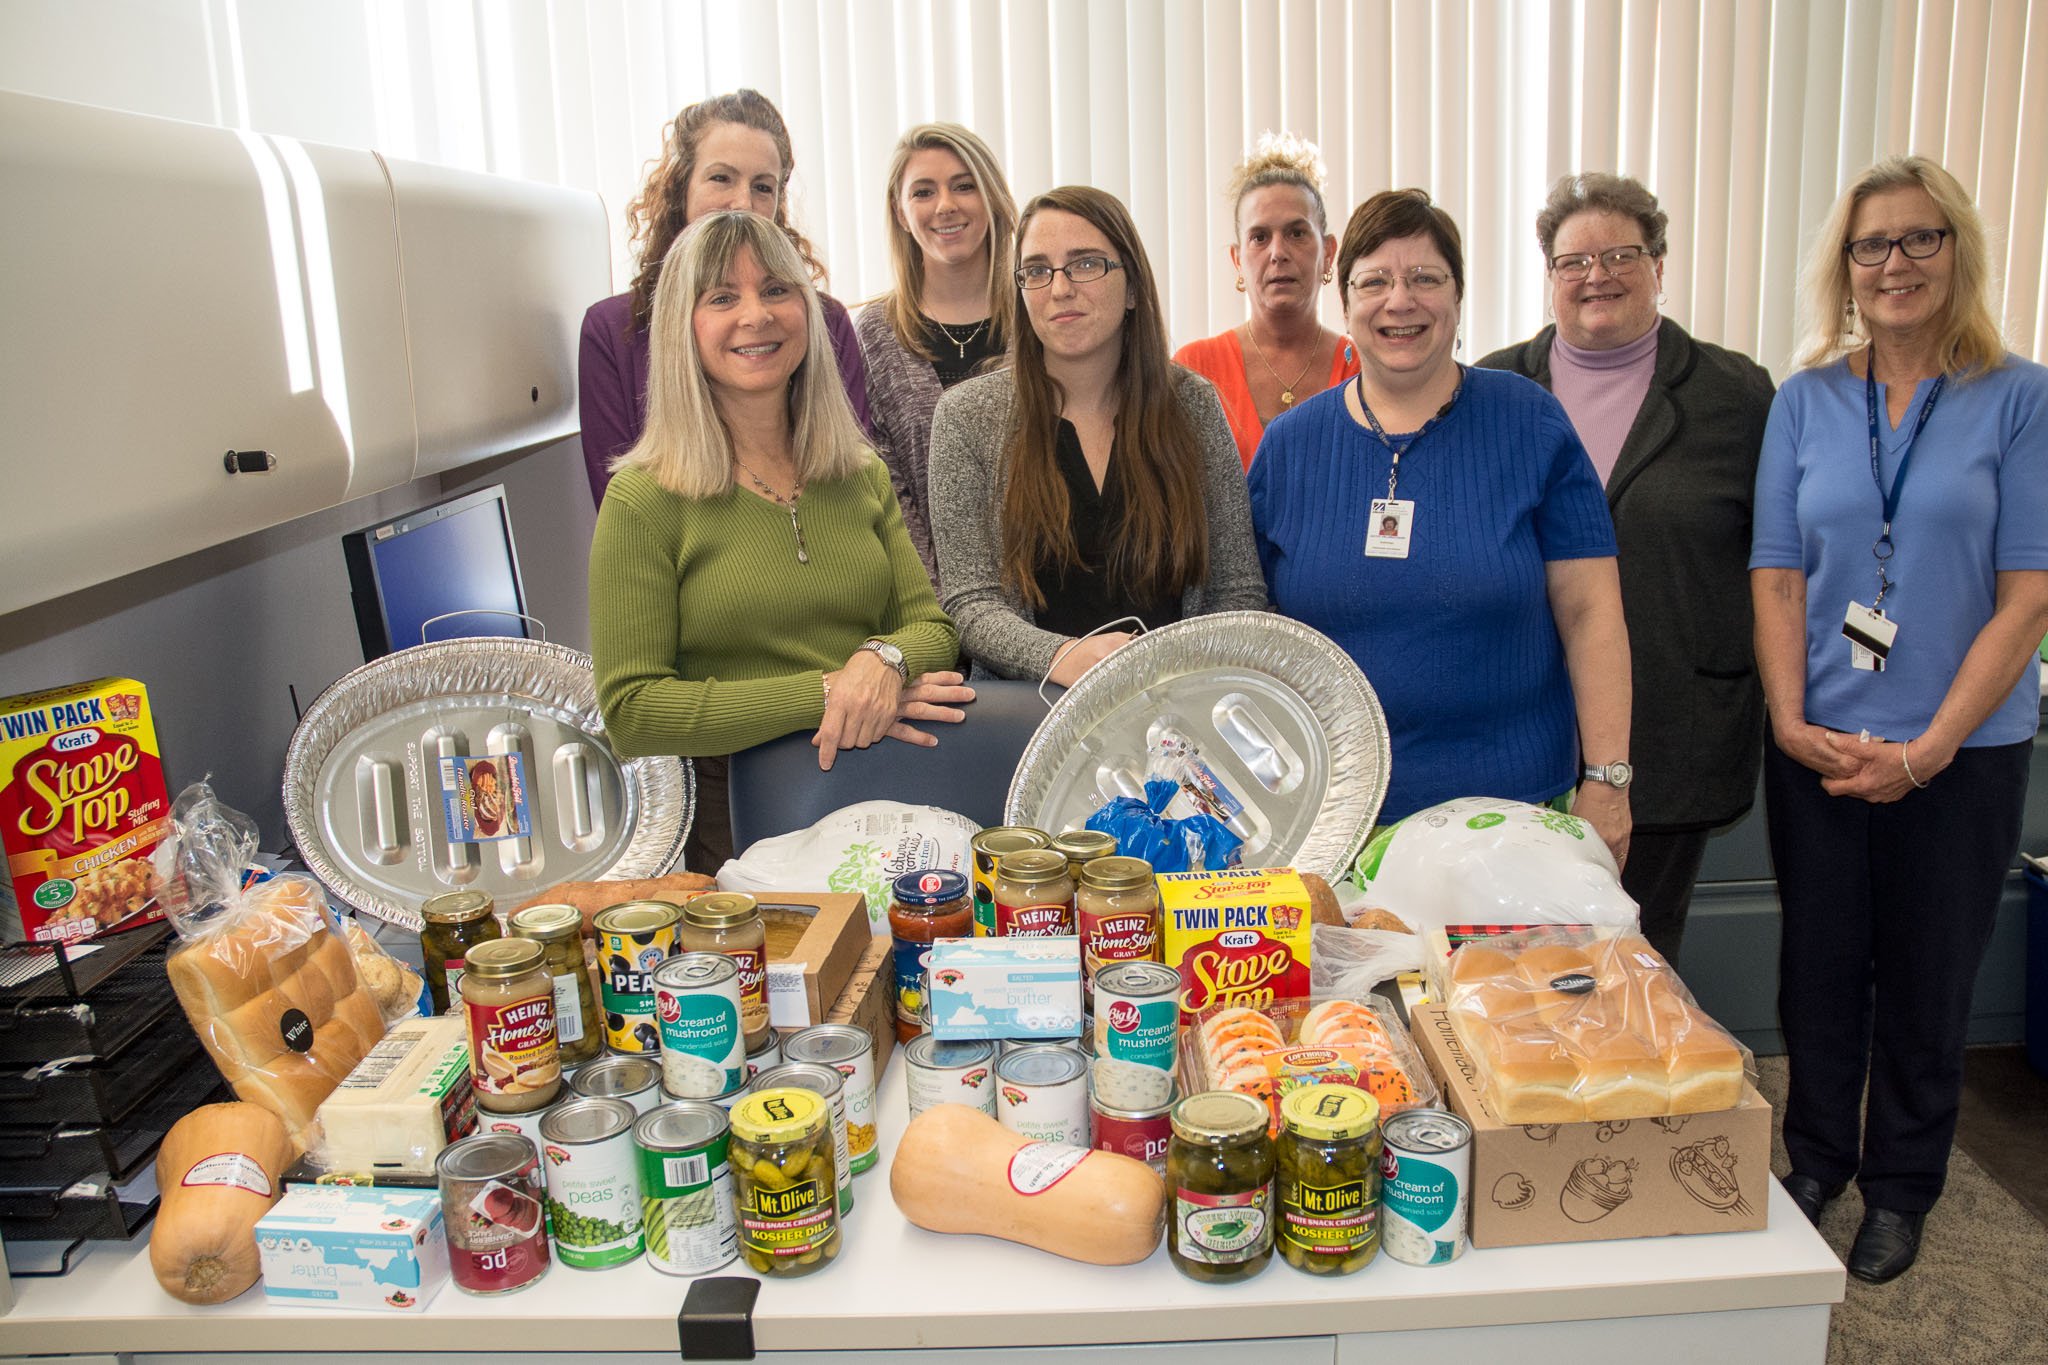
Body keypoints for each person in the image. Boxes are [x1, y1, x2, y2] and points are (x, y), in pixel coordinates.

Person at [1750, 155, 2048, 1283]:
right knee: (1817, 967)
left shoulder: (2016, 398)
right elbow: (1776, 574)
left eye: (1919, 239)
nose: (1894, 263)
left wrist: (1924, 752)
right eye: (1871, 244)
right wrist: (1786, 718)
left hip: (1961, 752)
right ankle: (1816, 1161)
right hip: (1818, 741)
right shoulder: (1804, 399)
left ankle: (1904, 1184)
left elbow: (2026, 592)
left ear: (1956, 253)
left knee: (1927, 975)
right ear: (1843, 267)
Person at [1250, 189, 1633, 865]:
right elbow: (1251, 630)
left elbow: (1592, 612)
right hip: (1335, 826)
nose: (1401, 301)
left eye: (1426, 278)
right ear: (1345, 301)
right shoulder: (1287, 447)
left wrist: (1607, 779)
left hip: (1513, 822)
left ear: (1458, 297)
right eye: (1375, 281)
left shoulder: (1532, 424)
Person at [590, 212, 972, 872]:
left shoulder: (857, 471)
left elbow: (931, 627)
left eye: (775, 290)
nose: (755, 315)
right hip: (738, 825)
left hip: (885, 800)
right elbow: (634, 708)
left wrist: (881, 663)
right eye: (722, 297)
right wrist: (829, 694)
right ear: (685, 325)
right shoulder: (642, 499)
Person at [1478, 173, 1775, 966]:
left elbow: (1779, 563)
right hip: (1519, 729)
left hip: (1673, 731)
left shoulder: (1737, 397)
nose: (1595, 275)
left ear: (1660, 264)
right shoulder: (1493, 389)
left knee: (1640, 959)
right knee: (1516, 962)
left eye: (1620, 254)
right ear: (1549, 277)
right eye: (1573, 260)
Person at [927, 186, 1268, 684]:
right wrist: (1063, 657)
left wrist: (1179, 674)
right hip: (1032, 721)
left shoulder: (1193, 405)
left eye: (1086, 264)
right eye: (1038, 270)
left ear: (1132, 288)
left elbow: (1237, 589)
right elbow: (970, 604)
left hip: (1175, 721)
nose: (1060, 288)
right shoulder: (966, 418)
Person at [579, 89, 872, 508]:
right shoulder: (613, 331)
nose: (743, 203)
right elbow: (621, 510)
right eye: (721, 178)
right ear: (681, 188)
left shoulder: (820, 322)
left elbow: (854, 481)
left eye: (763, 187)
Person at [857, 123, 1019, 587]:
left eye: (964, 186)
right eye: (923, 192)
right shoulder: (874, 333)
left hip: (1052, 594)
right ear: (901, 212)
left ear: (992, 196)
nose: (945, 205)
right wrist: (946, 605)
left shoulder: (1039, 313)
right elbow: (886, 489)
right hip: (929, 601)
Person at [1174, 133, 1359, 469]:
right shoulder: (1193, 369)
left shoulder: (1360, 366)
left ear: (1329, 252)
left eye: (1296, 233)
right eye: (1259, 237)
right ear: (1237, 260)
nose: (1278, 253)